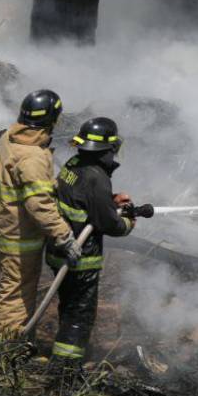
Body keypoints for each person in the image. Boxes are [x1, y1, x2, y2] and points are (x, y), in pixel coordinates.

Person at [46, 116, 136, 366]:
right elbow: (108, 224)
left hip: (60, 248)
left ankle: (64, 361)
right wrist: (128, 223)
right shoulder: (97, 176)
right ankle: (65, 371)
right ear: (109, 149)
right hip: (81, 257)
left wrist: (109, 200)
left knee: (69, 306)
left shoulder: (74, 164)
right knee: (80, 315)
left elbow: (83, 201)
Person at [0, 89, 79, 334]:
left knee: (16, 288)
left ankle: (14, 341)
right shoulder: (32, 158)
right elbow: (39, 203)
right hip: (19, 236)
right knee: (17, 293)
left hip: (5, 225)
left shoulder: (10, 137)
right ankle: (9, 350)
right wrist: (63, 235)